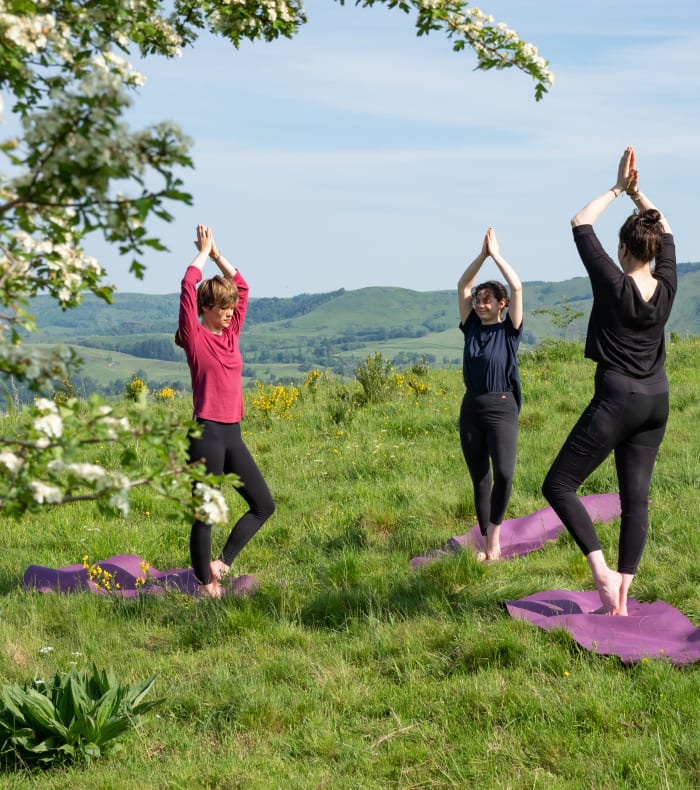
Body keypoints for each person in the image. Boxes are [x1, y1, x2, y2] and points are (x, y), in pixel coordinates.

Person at [542, 147, 676, 616]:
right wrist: (642, 197)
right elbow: (668, 229)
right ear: (655, 251)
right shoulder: (667, 286)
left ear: (623, 250)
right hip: (656, 400)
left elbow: (580, 221)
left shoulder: (613, 282)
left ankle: (601, 572)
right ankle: (622, 595)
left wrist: (619, 189)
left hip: (617, 397)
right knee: (635, 497)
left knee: (558, 485)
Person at [175, 224, 275, 598]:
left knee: (263, 505)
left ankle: (222, 564)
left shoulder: (231, 335)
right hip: (207, 436)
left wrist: (218, 254)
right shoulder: (195, 338)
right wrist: (201, 255)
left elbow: (244, 286)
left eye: (233, 307)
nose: (232, 312)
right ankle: (204, 585)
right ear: (206, 309)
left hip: (232, 434)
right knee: (205, 515)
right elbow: (187, 287)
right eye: (224, 307)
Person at [457, 227, 524, 560]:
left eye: (487, 301)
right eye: (478, 301)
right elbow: (462, 286)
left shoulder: (510, 330)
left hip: (502, 407)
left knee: (505, 474)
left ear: (502, 305)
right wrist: (480, 256)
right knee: (480, 479)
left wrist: (496, 256)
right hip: (472, 408)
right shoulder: (470, 327)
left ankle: (495, 538)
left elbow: (517, 286)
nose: (480, 305)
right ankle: (487, 543)